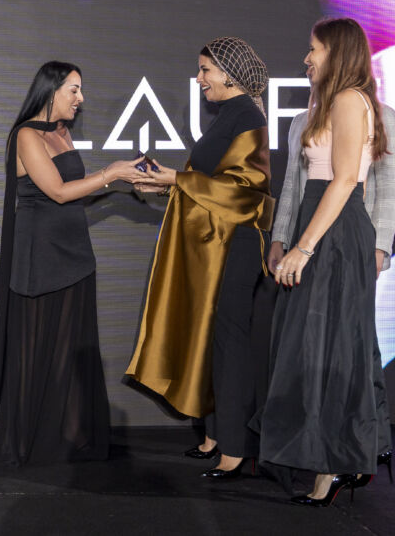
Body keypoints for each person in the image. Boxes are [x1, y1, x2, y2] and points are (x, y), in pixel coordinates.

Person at [127, 37, 274, 479]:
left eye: (205, 70)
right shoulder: (230, 114)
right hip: (216, 245)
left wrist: (177, 178)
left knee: (229, 342)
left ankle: (236, 447)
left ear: (228, 73)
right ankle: (214, 434)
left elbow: (246, 190)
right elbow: (209, 181)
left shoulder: (246, 115)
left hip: (237, 246)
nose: (199, 79)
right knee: (212, 338)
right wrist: (168, 184)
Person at [257, 17, 389, 506]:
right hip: (323, 225)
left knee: (330, 348)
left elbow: (346, 180)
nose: (307, 58)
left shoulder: (350, 99)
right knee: (315, 347)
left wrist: (305, 246)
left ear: (337, 52)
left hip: (333, 233)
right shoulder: (332, 103)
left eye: (314, 49)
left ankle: (332, 465)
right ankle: (329, 460)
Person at [0, 61, 144, 465]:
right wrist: (112, 173)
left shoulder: (61, 131)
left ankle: (70, 438)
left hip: (75, 255)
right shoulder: (26, 135)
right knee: (38, 350)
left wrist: (123, 184)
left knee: (69, 352)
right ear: (51, 90)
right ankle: (34, 442)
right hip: (40, 258)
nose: (80, 98)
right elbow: (57, 192)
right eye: (74, 90)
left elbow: (75, 192)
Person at [267, 98, 395, 479]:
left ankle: (358, 449)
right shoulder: (302, 120)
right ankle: (367, 447)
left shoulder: (380, 115)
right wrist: (280, 237)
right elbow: (292, 185)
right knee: (334, 343)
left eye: (315, 59)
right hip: (308, 240)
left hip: (349, 239)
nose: (308, 66)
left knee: (350, 342)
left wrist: (379, 248)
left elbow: (390, 184)